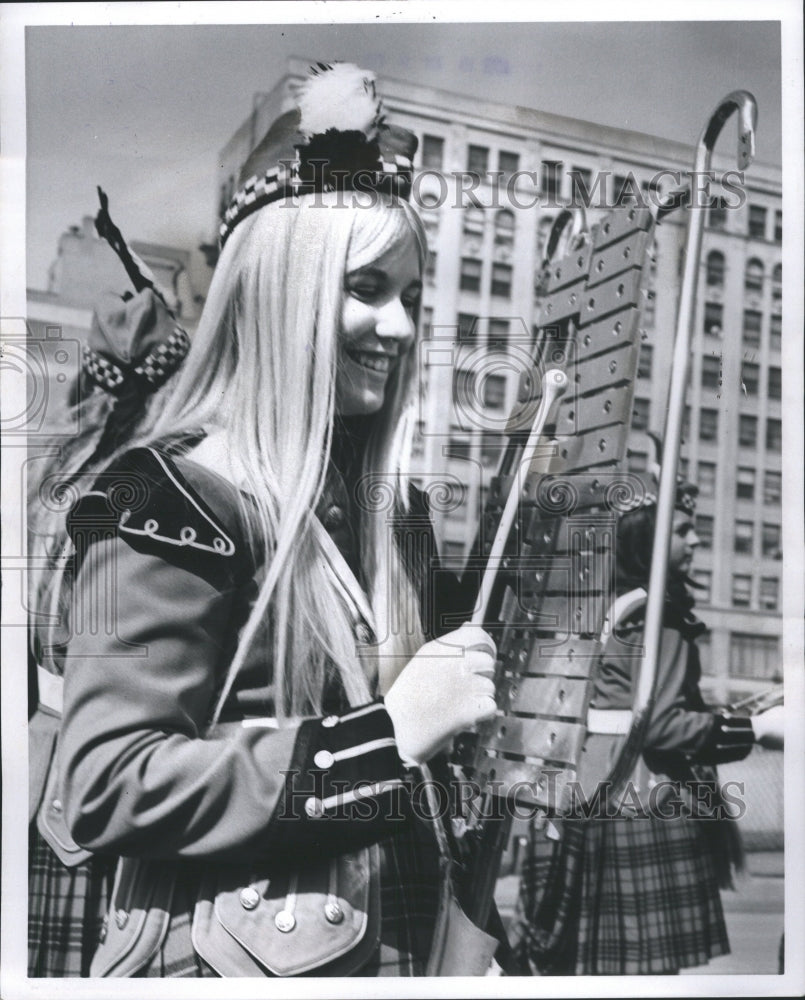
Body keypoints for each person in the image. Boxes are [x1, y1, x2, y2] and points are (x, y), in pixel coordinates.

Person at [28, 63, 503, 978]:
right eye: (365, 288)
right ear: (281, 287)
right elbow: (104, 781)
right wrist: (386, 739)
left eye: (411, 296)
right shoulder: (166, 495)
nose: (400, 328)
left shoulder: (387, 508)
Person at [512, 473, 784, 976]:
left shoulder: (604, 608)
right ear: (647, 539)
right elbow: (662, 725)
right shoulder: (656, 614)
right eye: (683, 531)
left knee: (587, 970)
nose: (697, 540)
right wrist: (759, 728)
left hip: (587, 790)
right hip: (644, 796)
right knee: (641, 974)